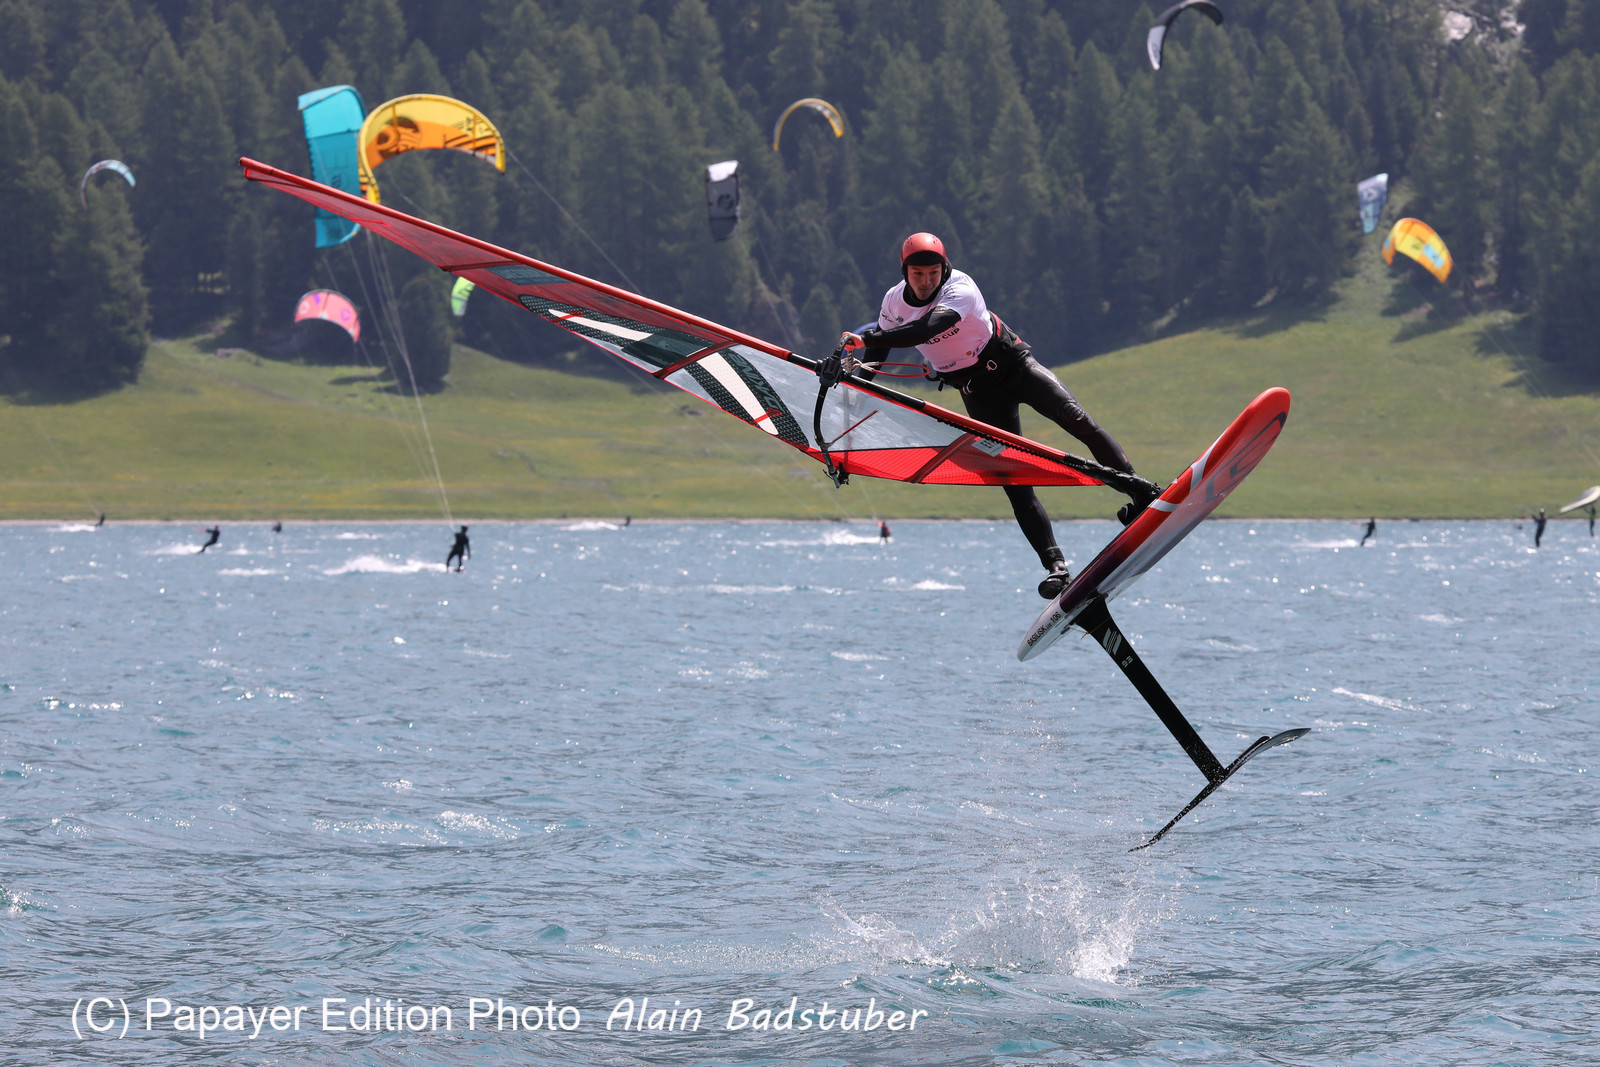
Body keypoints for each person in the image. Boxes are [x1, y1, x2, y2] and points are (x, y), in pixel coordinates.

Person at [841, 233, 1160, 598]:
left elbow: (928, 327)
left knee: (1077, 420)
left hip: (1016, 367)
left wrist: (868, 340)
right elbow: (879, 352)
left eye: (933, 272)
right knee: (1013, 479)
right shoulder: (893, 302)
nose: (927, 281)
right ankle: (1056, 568)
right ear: (905, 273)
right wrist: (857, 380)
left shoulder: (960, 287)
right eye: (918, 274)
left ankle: (1141, 496)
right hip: (979, 394)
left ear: (944, 269)